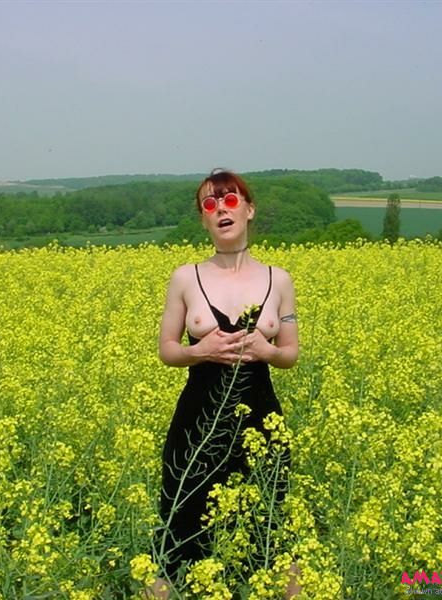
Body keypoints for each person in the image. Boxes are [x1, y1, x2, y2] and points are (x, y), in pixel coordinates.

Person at [146, 170, 301, 599]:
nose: (221, 210)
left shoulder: (279, 280)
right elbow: (167, 349)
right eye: (209, 205)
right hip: (197, 423)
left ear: (249, 210)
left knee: (273, 529)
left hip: (262, 421)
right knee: (178, 530)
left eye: (230, 200)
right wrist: (199, 351)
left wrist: (266, 350)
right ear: (203, 219)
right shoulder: (184, 277)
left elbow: (290, 353)